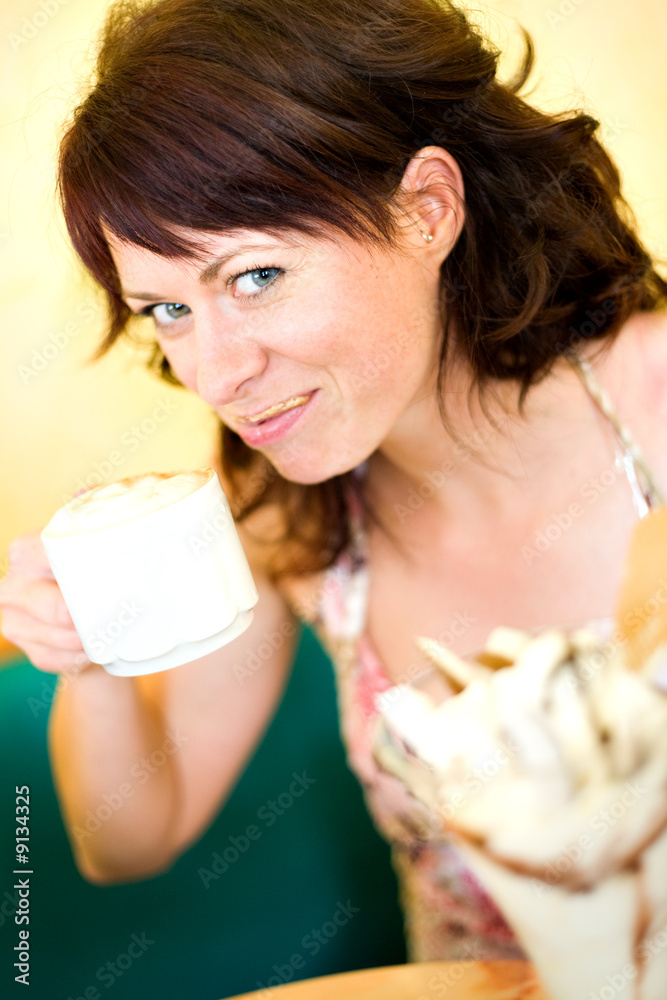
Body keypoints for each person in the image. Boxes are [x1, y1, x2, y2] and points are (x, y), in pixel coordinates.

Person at [1, 0, 666, 965]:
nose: (216, 375)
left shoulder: (655, 398)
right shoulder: (287, 516)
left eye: (255, 277)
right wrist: (89, 659)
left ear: (426, 208)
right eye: (166, 309)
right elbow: (128, 841)